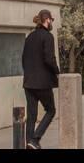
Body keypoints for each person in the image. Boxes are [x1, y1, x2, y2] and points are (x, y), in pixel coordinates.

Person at [21, 9, 60, 149]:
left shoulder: (29, 37)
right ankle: (35, 140)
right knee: (51, 111)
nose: (51, 23)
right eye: (51, 20)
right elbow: (49, 59)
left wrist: (28, 75)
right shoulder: (48, 36)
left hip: (28, 83)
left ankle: (29, 144)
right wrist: (57, 72)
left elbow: (23, 59)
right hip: (42, 83)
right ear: (47, 20)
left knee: (31, 115)